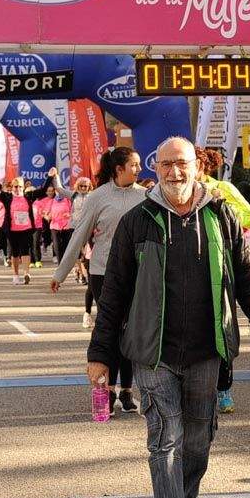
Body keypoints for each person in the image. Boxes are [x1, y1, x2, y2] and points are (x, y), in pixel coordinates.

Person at [86, 137, 250, 498]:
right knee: (164, 442)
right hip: (152, 353)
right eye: (165, 165)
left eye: (182, 164)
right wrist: (100, 353)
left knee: (198, 443)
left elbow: (249, 285)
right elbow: (114, 295)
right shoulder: (137, 220)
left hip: (207, 350)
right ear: (155, 169)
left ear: (197, 166)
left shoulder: (222, 217)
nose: (174, 172)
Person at [53, 148, 145, 395]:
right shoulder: (97, 197)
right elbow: (79, 236)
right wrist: (60, 273)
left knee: (131, 330)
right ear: (119, 169)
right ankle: (109, 389)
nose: (139, 169)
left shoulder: (146, 197)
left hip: (136, 272)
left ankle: (127, 391)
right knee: (111, 329)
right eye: (134, 165)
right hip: (103, 272)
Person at [196, 147, 250, 416]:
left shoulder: (222, 187)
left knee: (222, 328)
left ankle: (223, 388)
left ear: (201, 166)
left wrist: (223, 203)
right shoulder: (176, 193)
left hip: (223, 270)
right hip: (191, 271)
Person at [0, 176, 51, 284]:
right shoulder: (7, 197)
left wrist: (50, 176)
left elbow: (43, 190)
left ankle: (26, 273)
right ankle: (15, 276)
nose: (18, 189)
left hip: (26, 229)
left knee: (26, 251)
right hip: (12, 230)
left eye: (20, 186)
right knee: (15, 253)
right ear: (12, 187)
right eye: (15, 187)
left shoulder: (29, 196)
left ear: (23, 187)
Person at [47, 186, 74, 263]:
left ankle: (65, 262)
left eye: (60, 191)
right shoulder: (51, 201)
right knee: (57, 245)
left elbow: (73, 212)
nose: (59, 193)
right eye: (57, 191)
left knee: (66, 244)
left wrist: (69, 215)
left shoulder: (68, 200)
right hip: (55, 226)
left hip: (66, 225)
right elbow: (47, 214)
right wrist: (47, 216)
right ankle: (60, 263)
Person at [31, 186, 53, 267]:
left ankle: (37, 260)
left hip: (38, 225)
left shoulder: (41, 202)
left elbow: (44, 212)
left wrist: (46, 216)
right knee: (31, 243)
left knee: (36, 242)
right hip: (29, 226)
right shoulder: (30, 202)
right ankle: (31, 261)